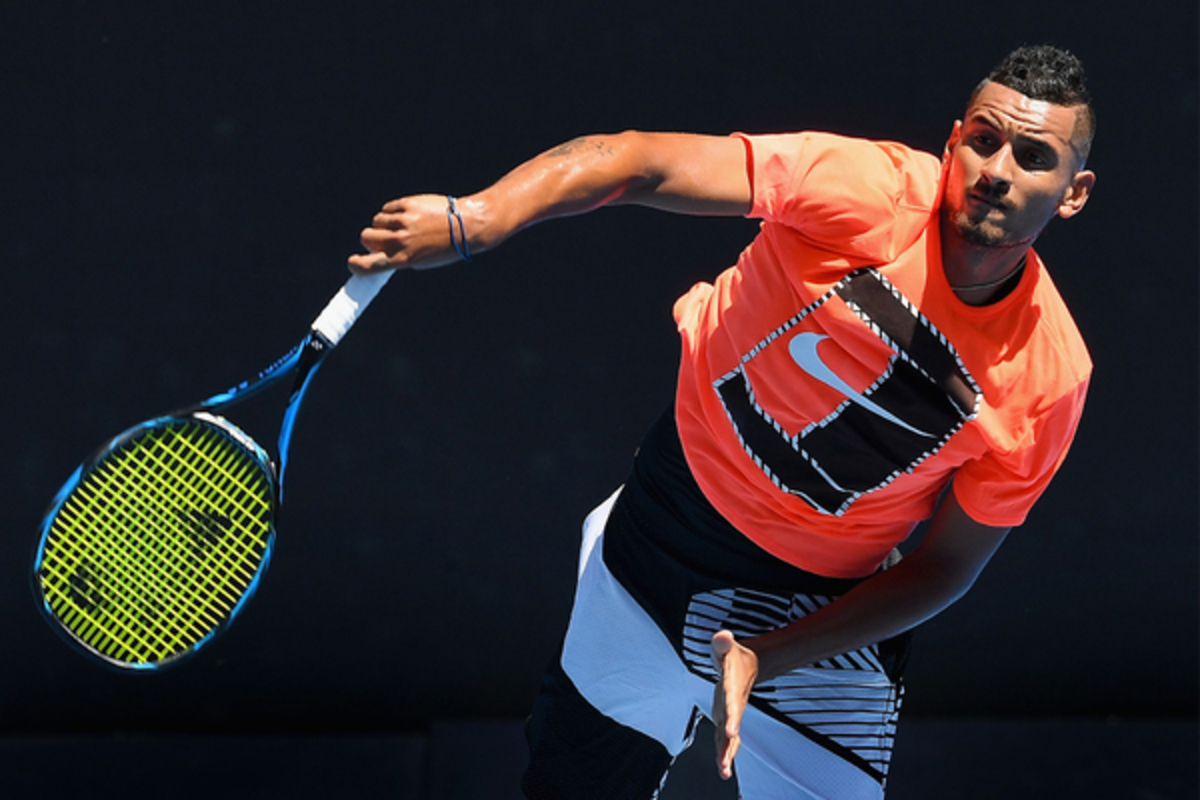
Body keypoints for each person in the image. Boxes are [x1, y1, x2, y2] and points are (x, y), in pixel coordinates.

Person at [349, 45, 1096, 799]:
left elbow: (947, 566)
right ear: (954, 142)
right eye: (983, 141)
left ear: (1073, 193)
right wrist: (481, 216)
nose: (997, 170)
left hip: (822, 620)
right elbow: (640, 162)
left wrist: (769, 655)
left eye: (1034, 157)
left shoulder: (1050, 376)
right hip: (657, 541)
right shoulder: (862, 187)